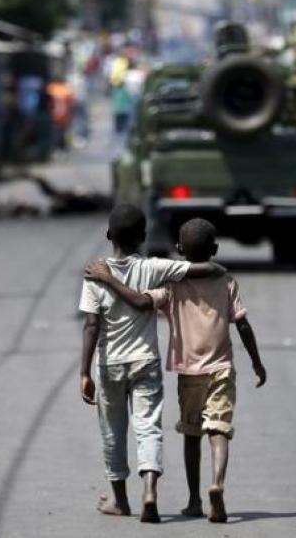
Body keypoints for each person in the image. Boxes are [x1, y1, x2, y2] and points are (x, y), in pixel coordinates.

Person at [85, 218, 267, 524]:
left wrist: (109, 280)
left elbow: (142, 302)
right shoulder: (225, 281)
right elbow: (243, 324)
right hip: (221, 367)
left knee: (191, 433)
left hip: (188, 372)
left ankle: (195, 500)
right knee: (219, 428)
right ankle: (217, 483)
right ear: (216, 249)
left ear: (180, 249)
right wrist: (256, 361)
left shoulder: (172, 284)